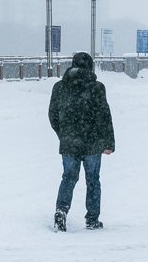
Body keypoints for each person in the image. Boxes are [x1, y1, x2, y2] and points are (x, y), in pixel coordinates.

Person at [48, 51, 115, 232]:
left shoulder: (60, 87)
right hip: (92, 142)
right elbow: (104, 116)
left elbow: (52, 115)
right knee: (93, 180)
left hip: (69, 141)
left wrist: (63, 134)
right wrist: (108, 142)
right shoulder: (97, 87)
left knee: (68, 178)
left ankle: (61, 211)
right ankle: (92, 219)